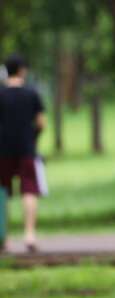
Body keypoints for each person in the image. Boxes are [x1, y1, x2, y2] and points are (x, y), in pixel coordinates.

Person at [0, 54, 46, 253]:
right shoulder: (32, 93)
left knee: (2, 192)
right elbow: (41, 123)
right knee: (29, 190)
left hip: (2, 149)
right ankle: (29, 234)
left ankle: (4, 237)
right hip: (27, 148)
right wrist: (33, 137)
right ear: (21, 70)